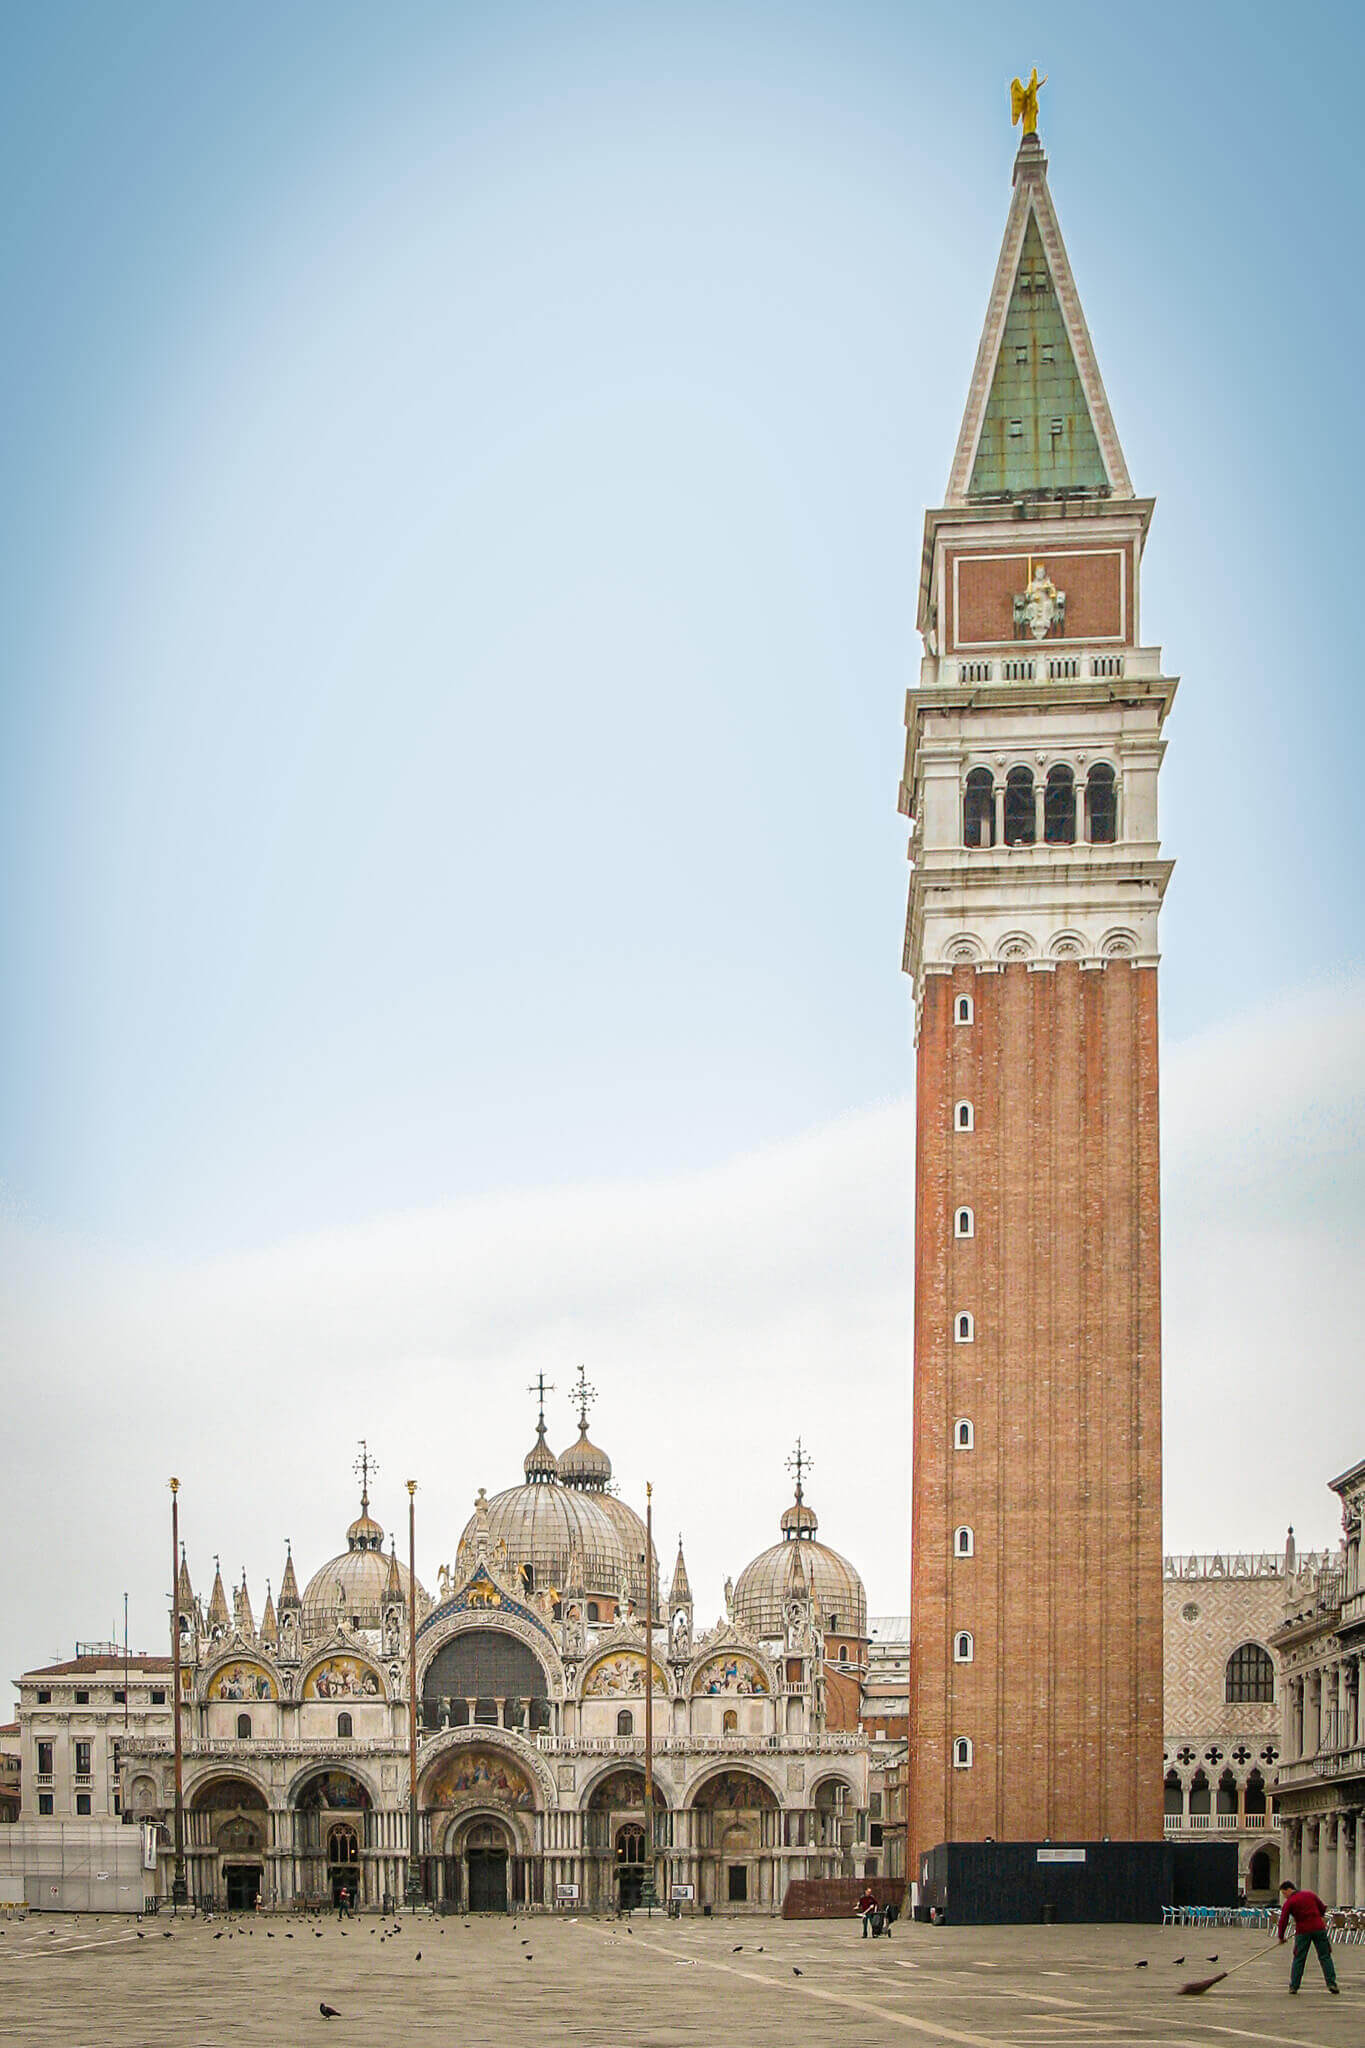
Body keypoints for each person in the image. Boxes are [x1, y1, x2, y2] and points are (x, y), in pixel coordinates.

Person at [1277, 1880, 1339, 1994]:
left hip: (1303, 1931)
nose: (1284, 1897)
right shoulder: (1310, 1895)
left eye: (1284, 1894)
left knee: (1299, 1958)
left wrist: (1281, 1936)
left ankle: (1294, 1986)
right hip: (1319, 1928)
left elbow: (1283, 1920)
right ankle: (1332, 1983)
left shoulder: (1290, 1902)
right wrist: (1318, 1916)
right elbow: (1322, 1908)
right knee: (1325, 1956)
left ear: (1288, 1890)